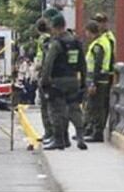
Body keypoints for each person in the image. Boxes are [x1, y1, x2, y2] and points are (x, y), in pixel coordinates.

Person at [41, 14, 88, 151]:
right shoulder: (76, 42)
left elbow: (48, 64)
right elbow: (83, 63)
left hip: (57, 81)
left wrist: (45, 82)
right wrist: (83, 81)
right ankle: (80, 136)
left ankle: (59, 140)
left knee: (56, 110)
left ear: (55, 27)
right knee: (74, 108)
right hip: (73, 79)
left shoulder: (56, 44)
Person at [84, 20, 113, 142]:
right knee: (94, 106)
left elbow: (97, 64)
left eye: (86, 32)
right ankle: (92, 130)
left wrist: (93, 83)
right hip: (102, 79)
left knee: (96, 107)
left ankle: (97, 133)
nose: (86, 35)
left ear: (90, 32)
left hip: (98, 80)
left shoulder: (98, 45)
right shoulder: (103, 41)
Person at [33, 17, 53, 142]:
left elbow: (41, 58)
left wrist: (37, 68)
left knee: (45, 106)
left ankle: (49, 132)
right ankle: (52, 133)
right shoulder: (52, 38)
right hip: (51, 75)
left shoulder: (42, 39)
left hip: (44, 74)